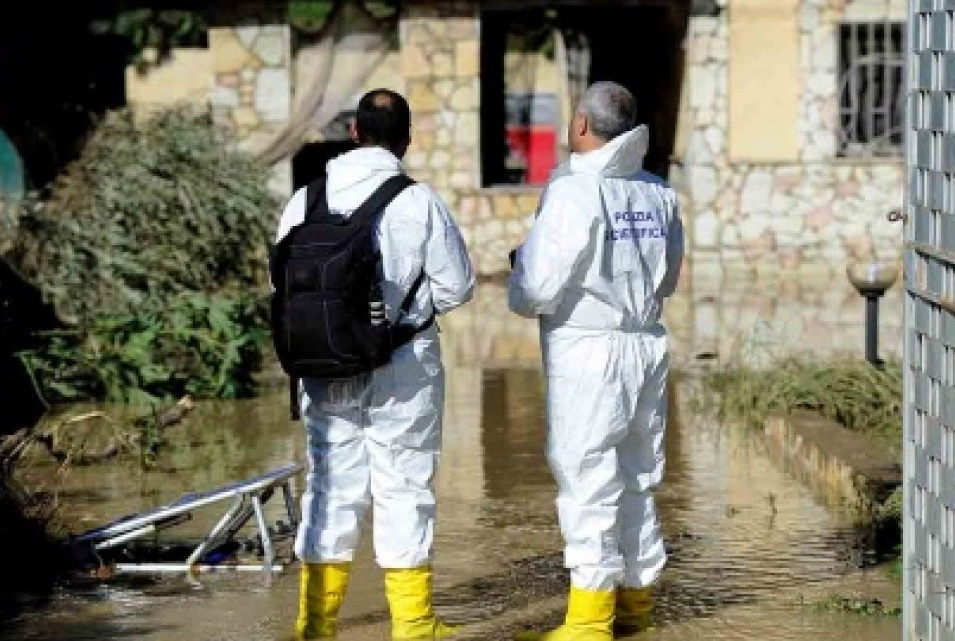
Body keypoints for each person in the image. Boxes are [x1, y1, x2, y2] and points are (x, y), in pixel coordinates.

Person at [274, 89, 475, 640]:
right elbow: (457, 290)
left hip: (321, 370)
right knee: (403, 486)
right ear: (405, 141)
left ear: (354, 133)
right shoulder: (418, 202)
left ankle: (315, 627)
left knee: (330, 486)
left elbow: (280, 282)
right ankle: (413, 628)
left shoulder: (304, 200)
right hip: (402, 369)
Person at [508, 81, 684, 641]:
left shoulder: (571, 191)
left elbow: (534, 290)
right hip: (646, 345)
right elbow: (670, 280)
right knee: (637, 474)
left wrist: (519, 267)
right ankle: (635, 605)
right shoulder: (659, 193)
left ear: (582, 125)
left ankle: (588, 623)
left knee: (587, 479)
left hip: (587, 351)